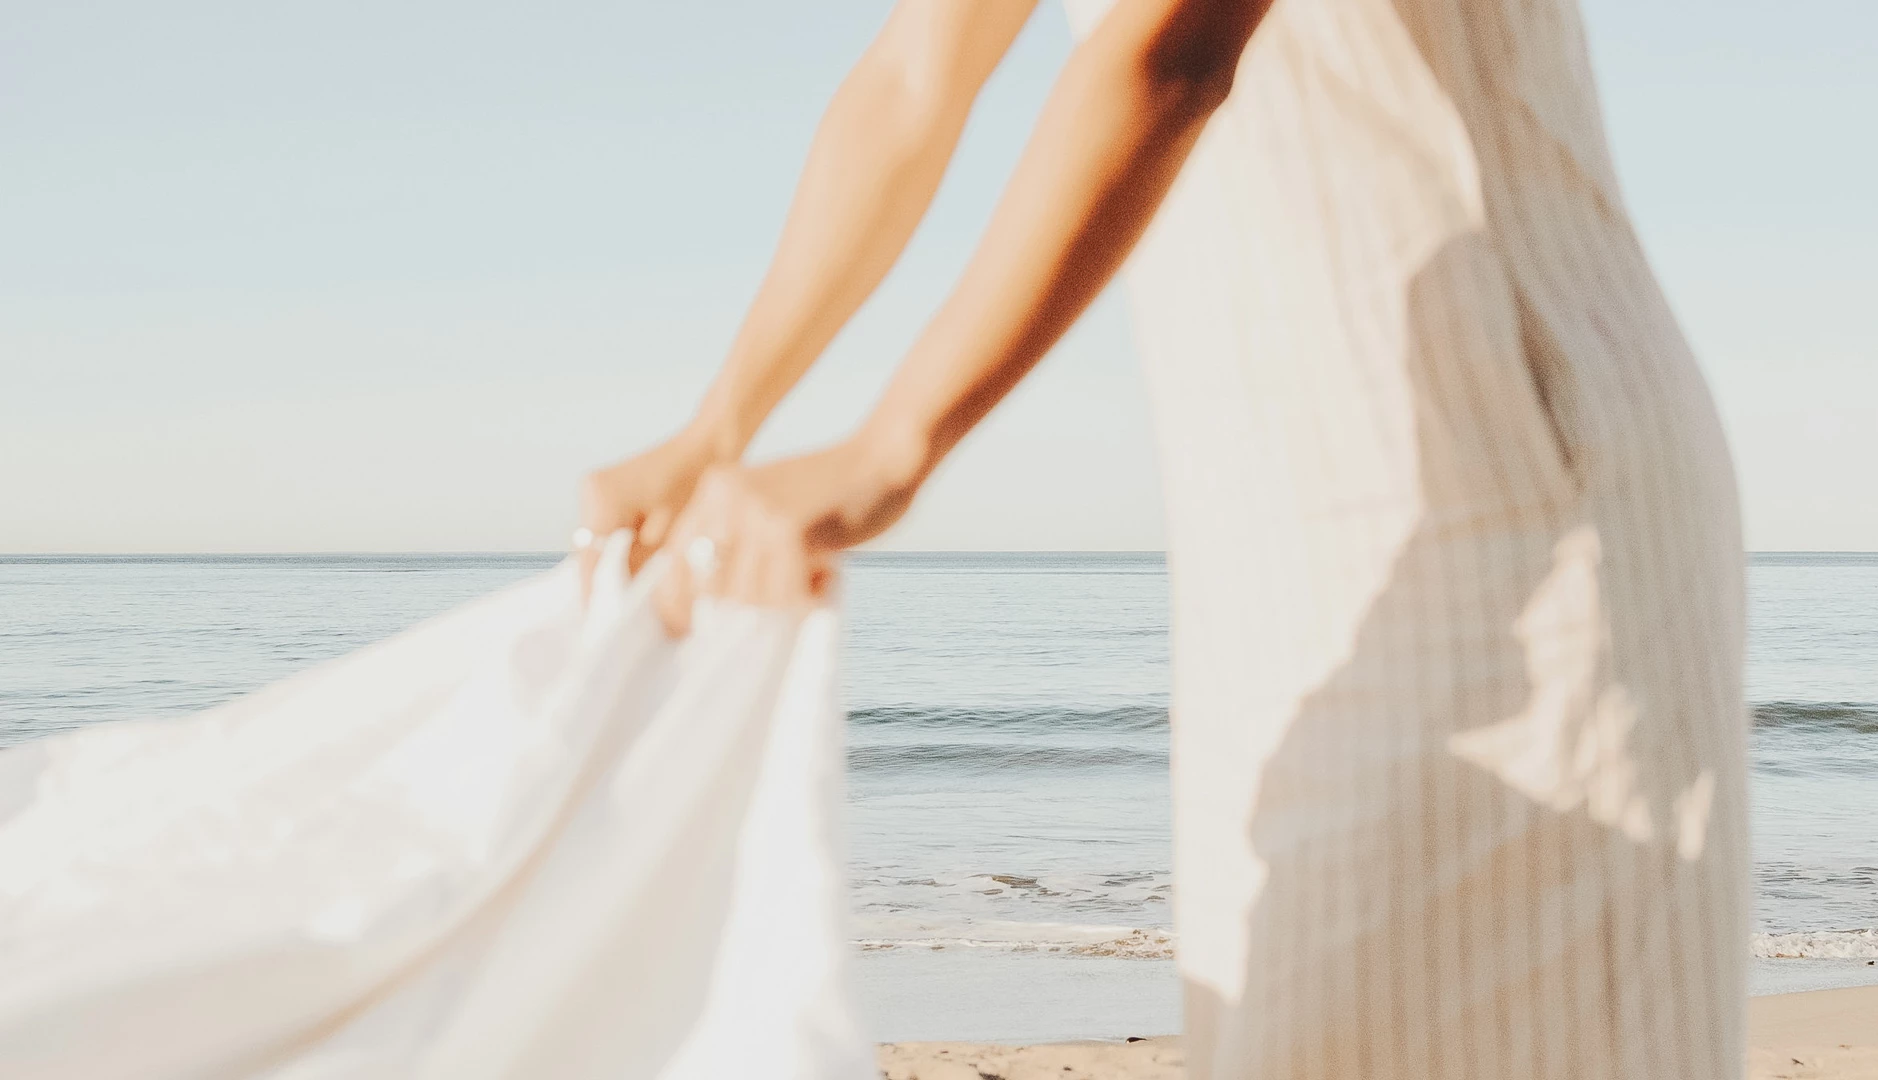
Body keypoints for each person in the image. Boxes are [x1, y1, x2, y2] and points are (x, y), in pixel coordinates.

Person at [578, 0, 1748, 1077]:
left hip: (1520, 474)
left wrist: (893, 449)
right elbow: (911, 81)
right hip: (1278, 520)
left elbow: (1169, 56)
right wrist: (719, 424)